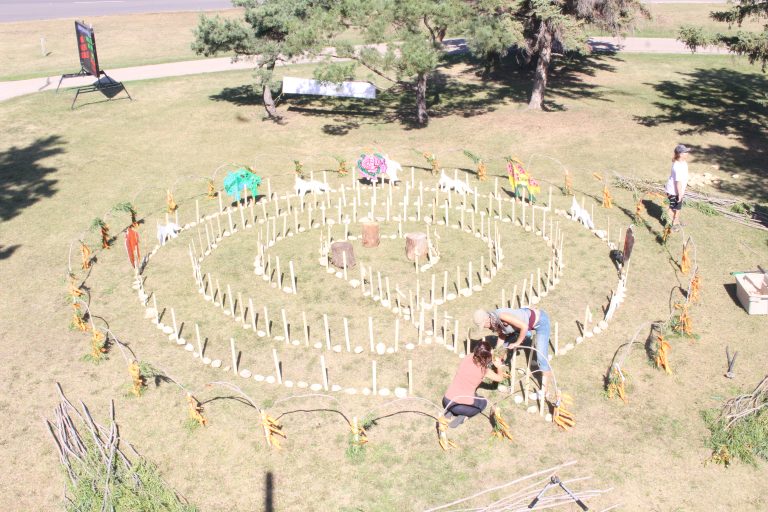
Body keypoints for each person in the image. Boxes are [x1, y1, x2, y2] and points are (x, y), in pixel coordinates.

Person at [472, 307, 554, 398]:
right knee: (502, 347)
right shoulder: (494, 320)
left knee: (541, 358)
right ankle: (499, 367)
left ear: (487, 320)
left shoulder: (501, 316)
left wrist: (517, 343)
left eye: (483, 325)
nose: (484, 327)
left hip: (540, 322)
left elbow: (524, 327)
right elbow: (502, 335)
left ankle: (544, 391)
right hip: (525, 320)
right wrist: (496, 351)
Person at [442, 340, 506, 428]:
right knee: (483, 402)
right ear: (486, 357)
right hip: (460, 406)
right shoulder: (484, 371)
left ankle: (450, 411)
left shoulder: (468, 357)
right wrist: (498, 367)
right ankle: (463, 417)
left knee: (473, 394)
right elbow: (500, 378)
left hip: (447, 400)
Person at [665, 144, 691, 231]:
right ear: (680, 154)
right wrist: (680, 194)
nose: (688, 153)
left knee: (678, 207)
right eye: (686, 152)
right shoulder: (677, 167)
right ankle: (669, 226)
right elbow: (678, 182)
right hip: (673, 191)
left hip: (679, 190)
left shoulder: (683, 163)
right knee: (672, 208)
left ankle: (676, 222)